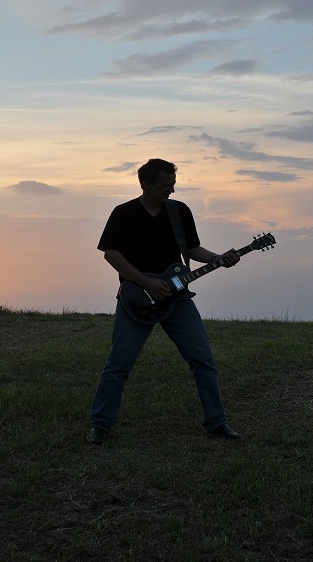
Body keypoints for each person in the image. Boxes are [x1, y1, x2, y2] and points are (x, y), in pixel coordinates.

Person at [87, 158, 240, 445]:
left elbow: (192, 248)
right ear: (145, 183)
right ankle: (100, 425)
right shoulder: (124, 213)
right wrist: (146, 283)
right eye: (164, 185)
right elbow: (111, 254)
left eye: (173, 184)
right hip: (136, 299)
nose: (170, 190)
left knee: (203, 360)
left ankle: (216, 422)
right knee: (119, 364)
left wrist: (219, 258)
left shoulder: (179, 211)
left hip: (178, 299)